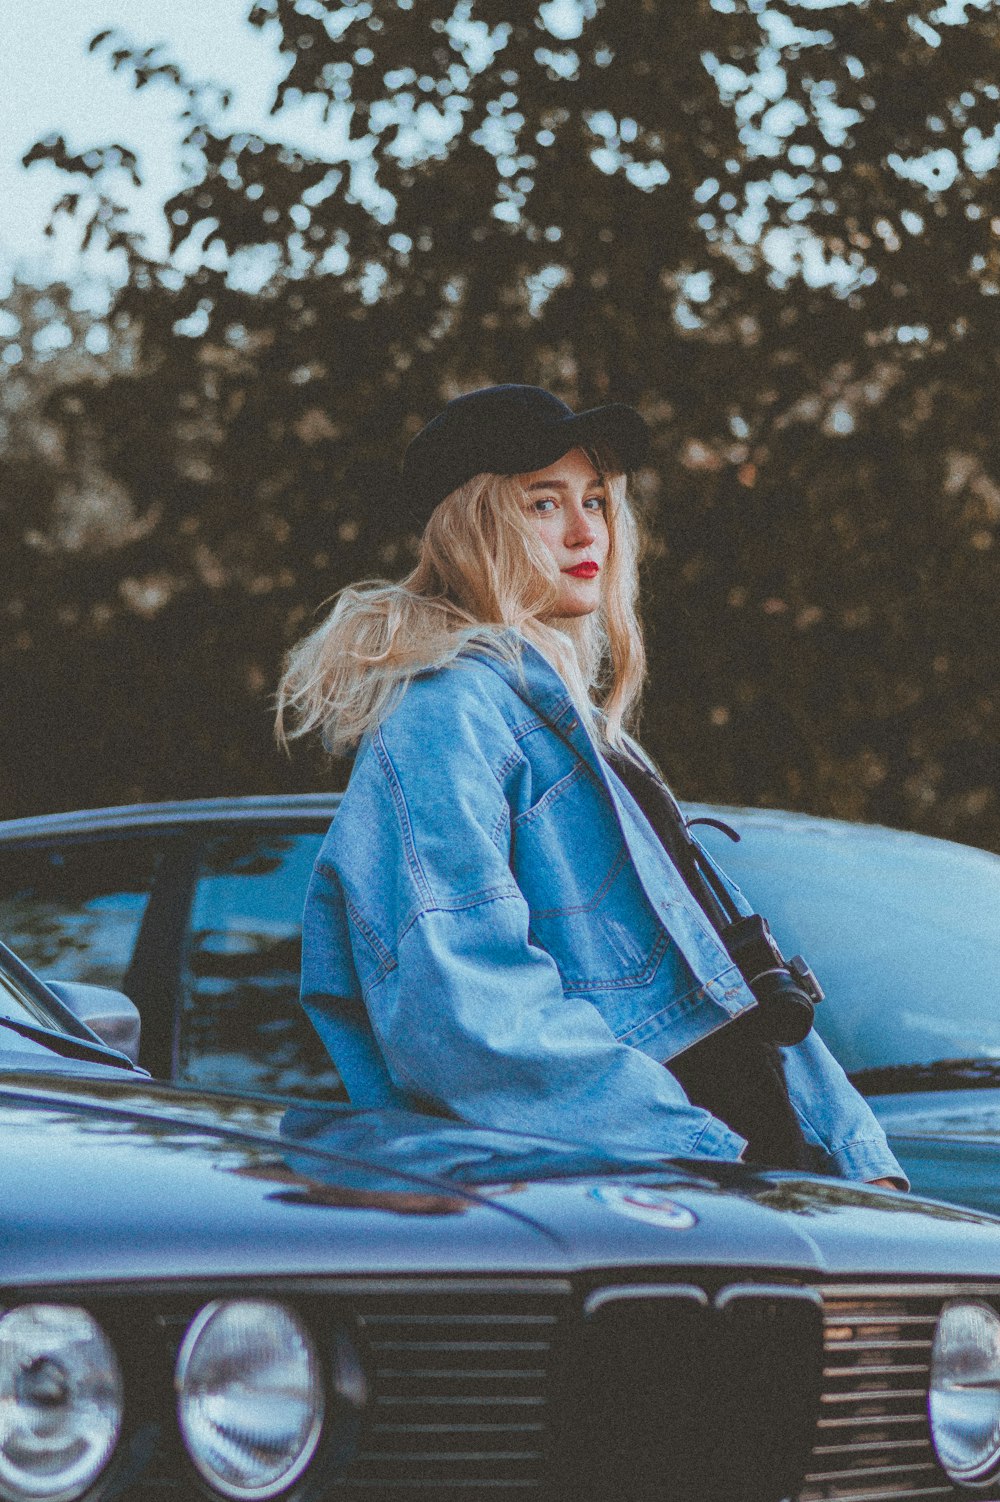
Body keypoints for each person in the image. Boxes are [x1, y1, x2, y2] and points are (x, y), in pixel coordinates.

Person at [276, 384, 906, 1188]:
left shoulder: (586, 734)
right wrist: (709, 1155)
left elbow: (737, 983)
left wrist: (855, 1156)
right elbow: (467, 1015)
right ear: (474, 525)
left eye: (598, 501)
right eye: (544, 504)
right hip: (634, 1200)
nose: (586, 532)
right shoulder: (446, 715)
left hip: (741, 1187)